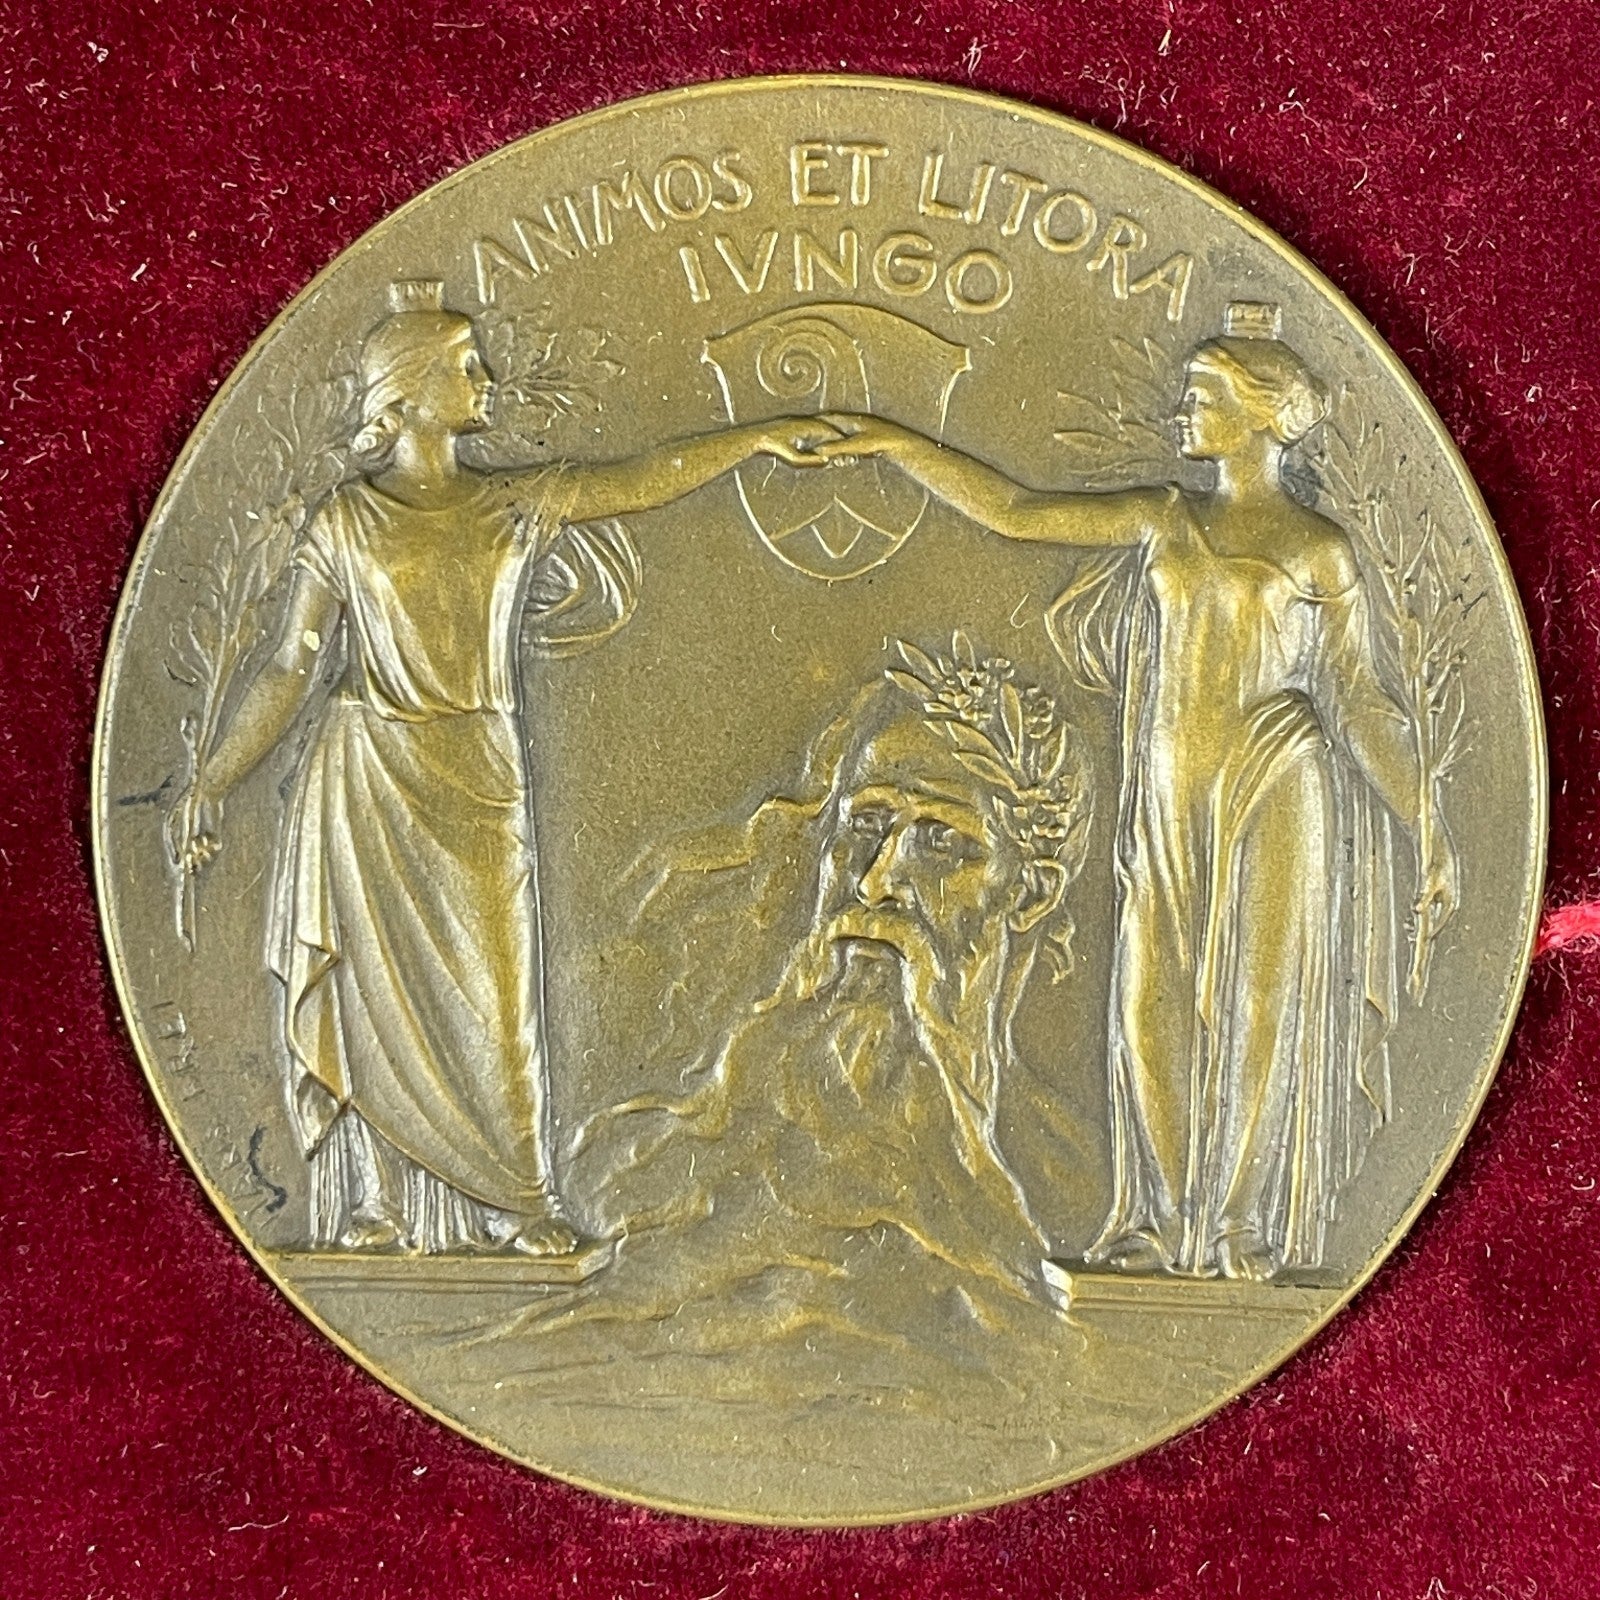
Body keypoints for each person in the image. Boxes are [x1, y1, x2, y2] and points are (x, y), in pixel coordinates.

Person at [186, 281, 836, 1257]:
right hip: (367, 775)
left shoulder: (512, 503)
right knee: (370, 994)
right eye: (463, 364)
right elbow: (290, 665)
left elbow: (639, 479)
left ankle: (515, 1198)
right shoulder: (346, 523)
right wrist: (211, 780)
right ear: (407, 396)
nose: (484, 376)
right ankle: (379, 1203)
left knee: (496, 995)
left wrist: (752, 441)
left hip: (478, 772)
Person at [810, 321, 1458, 1281]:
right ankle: (1155, 1218)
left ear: (1260, 415)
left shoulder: (1317, 549)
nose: (1183, 408)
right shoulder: (1164, 518)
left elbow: (1359, 700)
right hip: (1168, 790)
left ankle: (1236, 1223)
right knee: (1149, 1001)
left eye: (1205, 393)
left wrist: (1429, 828)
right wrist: (900, 446)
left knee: (1261, 1004)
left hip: (1275, 780)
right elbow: (1017, 511)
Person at [565, 637, 1093, 1326]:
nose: (875, 882)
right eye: (866, 823)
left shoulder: (1080, 1195)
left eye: (940, 841)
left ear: (1030, 892)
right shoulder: (637, 1167)